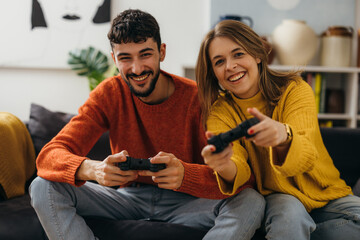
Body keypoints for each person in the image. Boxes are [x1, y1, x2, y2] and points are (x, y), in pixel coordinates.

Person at [29, 9, 265, 240]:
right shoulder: (109, 94)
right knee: (42, 186)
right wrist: (94, 170)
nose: (137, 68)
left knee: (251, 201)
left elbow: (242, 177)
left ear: (161, 52)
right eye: (125, 58)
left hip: (189, 201)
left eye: (145, 54)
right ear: (114, 59)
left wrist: (186, 175)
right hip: (127, 199)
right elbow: (48, 156)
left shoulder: (200, 98)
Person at [196, 19, 360, 240]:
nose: (230, 66)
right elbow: (238, 166)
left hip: (327, 194)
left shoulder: (295, 89)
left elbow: (307, 154)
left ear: (257, 54)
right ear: (214, 72)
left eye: (238, 54)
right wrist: (223, 165)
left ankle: (304, 232)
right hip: (279, 196)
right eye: (219, 61)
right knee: (290, 217)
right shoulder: (220, 113)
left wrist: (284, 137)